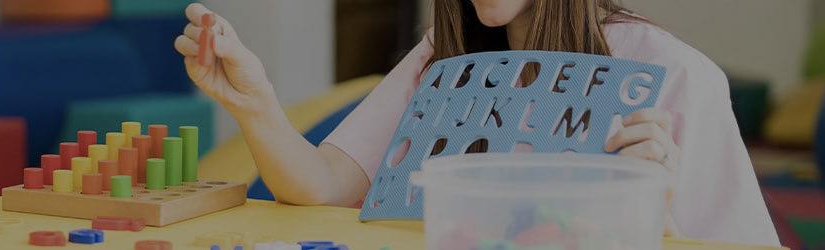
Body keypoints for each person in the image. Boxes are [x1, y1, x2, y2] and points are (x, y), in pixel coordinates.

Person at [174, 0, 778, 246]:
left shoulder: (674, 73)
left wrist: (650, 209)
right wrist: (254, 100)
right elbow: (322, 184)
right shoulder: (445, 57)